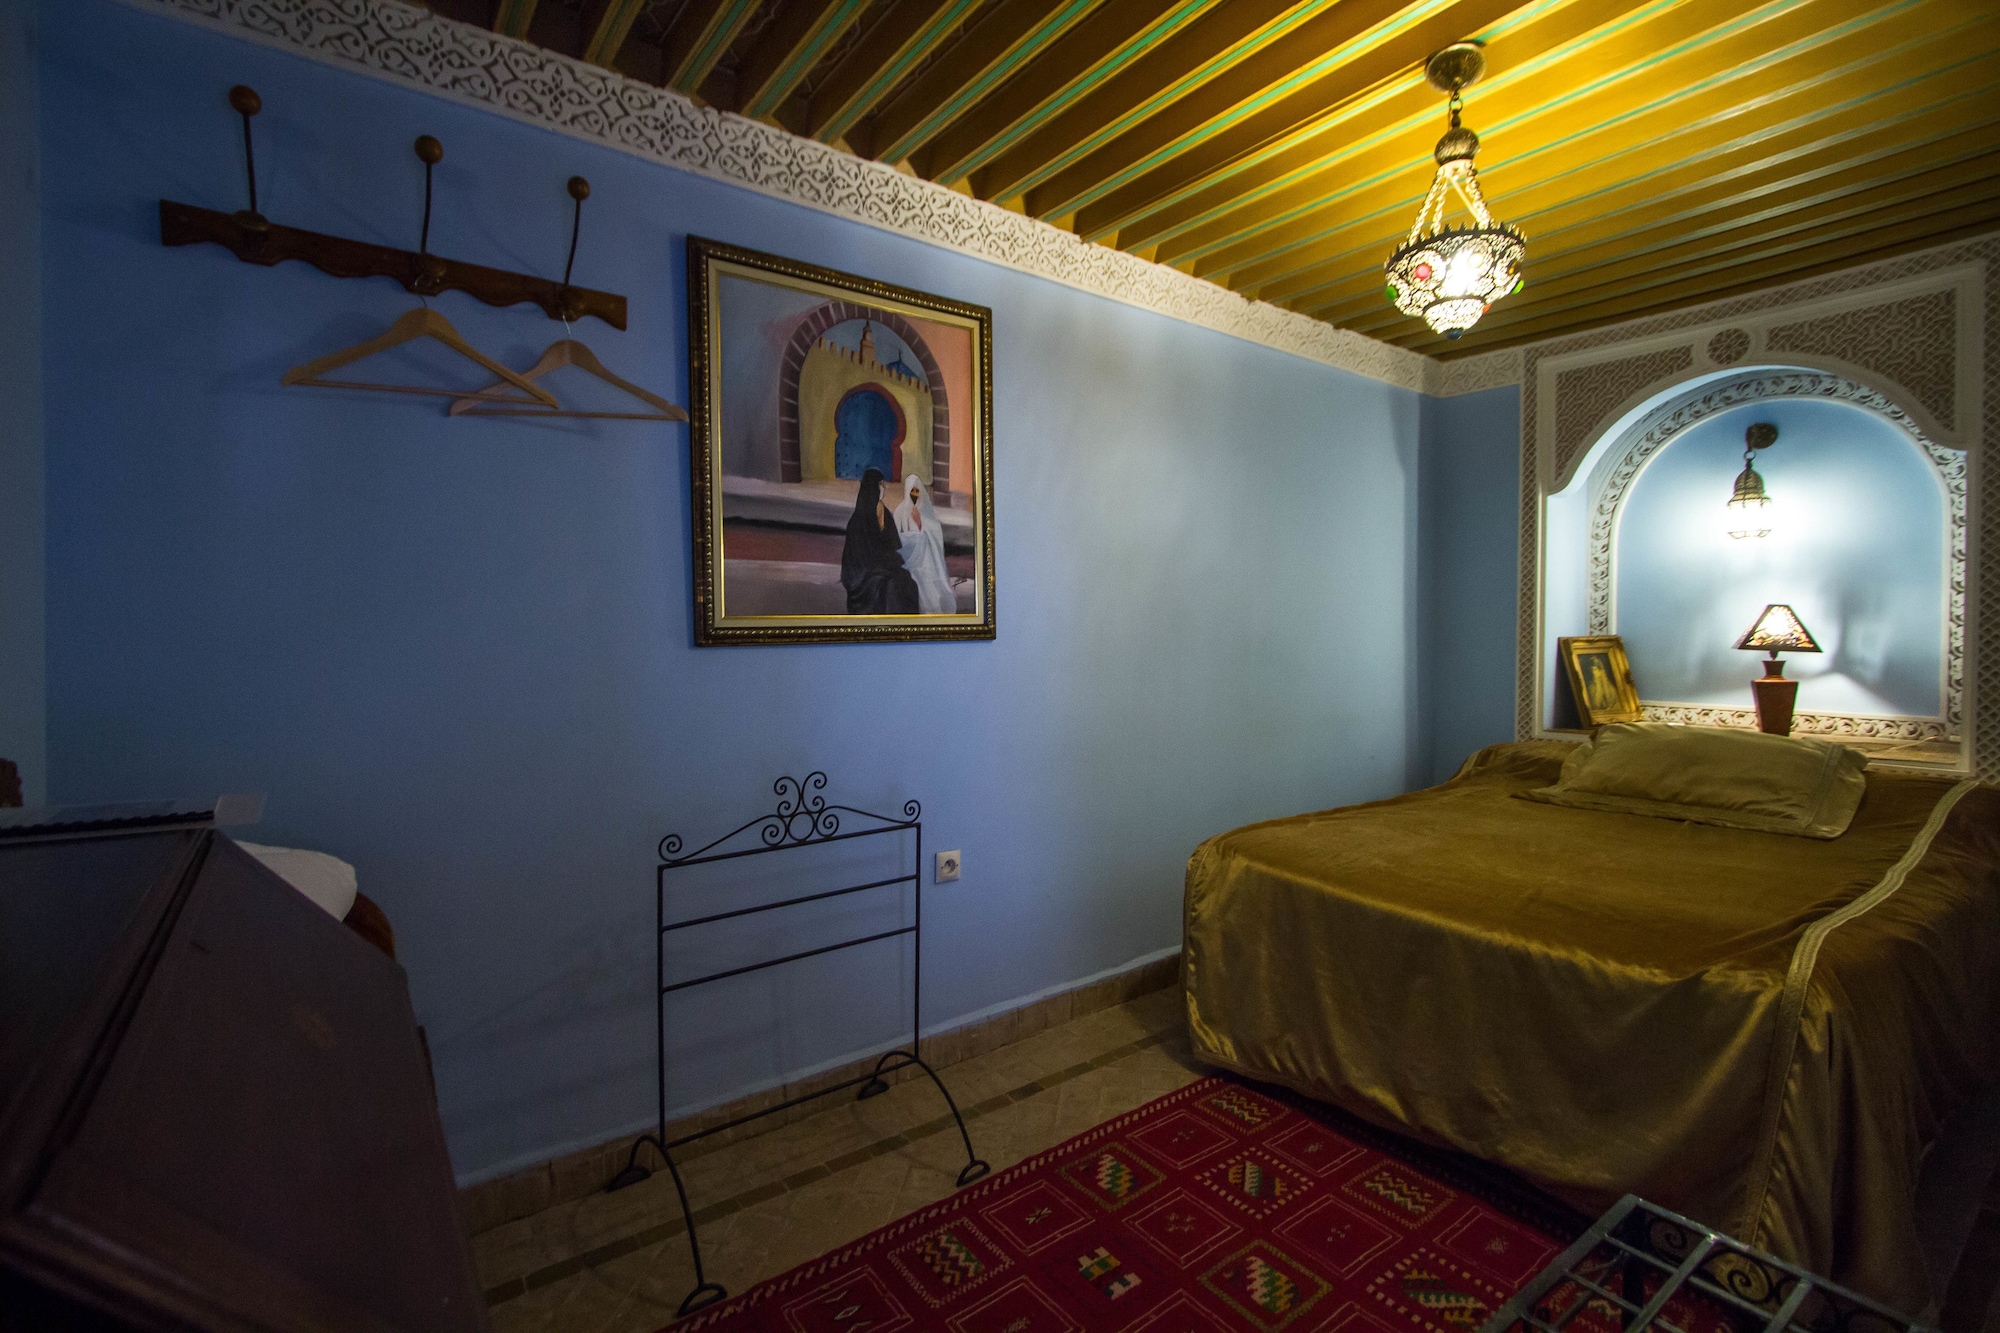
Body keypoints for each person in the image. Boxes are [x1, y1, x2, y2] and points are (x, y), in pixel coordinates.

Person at [840, 468, 918, 614]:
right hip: (862, 575)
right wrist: (884, 562)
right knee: (889, 585)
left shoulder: (884, 513)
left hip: (881, 566)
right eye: (880, 485)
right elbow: (861, 557)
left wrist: (892, 560)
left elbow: (892, 544)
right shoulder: (858, 521)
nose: (884, 488)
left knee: (907, 581)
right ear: (873, 488)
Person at [892, 474, 955, 614]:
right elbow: (895, 535)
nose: (914, 495)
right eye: (912, 491)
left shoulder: (924, 510)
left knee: (927, 584)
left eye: (917, 491)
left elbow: (933, 532)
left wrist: (920, 523)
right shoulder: (899, 511)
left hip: (924, 556)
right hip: (908, 556)